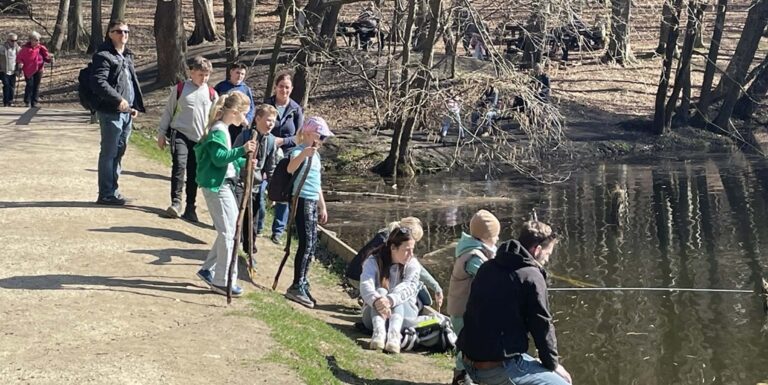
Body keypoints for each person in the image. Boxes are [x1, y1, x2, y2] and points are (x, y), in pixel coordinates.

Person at [457, 220, 573, 385]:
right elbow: (542, 325)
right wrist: (554, 365)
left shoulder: (488, 266)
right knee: (562, 382)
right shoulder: (532, 276)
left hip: (467, 361)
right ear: (538, 249)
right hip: (494, 368)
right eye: (547, 254)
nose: (547, 259)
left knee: (527, 360)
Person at [193, 91, 256, 297]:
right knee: (229, 234)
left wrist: (244, 160)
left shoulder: (224, 130)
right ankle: (223, 280)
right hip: (217, 187)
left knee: (228, 231)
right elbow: (219, 158)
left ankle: (208, 269)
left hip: (224, 185)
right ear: (235, 112)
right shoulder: (219, 130)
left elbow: (227, 161)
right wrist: (242, 150)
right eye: (244, 114)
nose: (245, 119)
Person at [157, 56, 218, 222]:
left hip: (200, 139)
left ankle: (191, 207)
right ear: (192, 72)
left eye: (207, 75)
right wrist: (162, 133)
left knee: (194, 173)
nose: (203, 78)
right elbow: (168, 112)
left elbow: (215, 119)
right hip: (180, 133)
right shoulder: (180, 89)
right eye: (200, 74)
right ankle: (176, 203)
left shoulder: (212, 94)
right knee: (179, 165)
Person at [90, 21, 145, 205]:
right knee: (109, 152)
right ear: (110, 34)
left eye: (126, 31)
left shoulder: (126, 56)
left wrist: (133, 105)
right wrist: (118, 100)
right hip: (110, 112)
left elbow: (131, 82)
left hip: (127, 113)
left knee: (119, 152)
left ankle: (113, 191)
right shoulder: (103, 56)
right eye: (119, 32)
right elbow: (99, 82)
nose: (124, 35)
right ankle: (105, 194)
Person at [447, 209, 500, 385]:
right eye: (495, 235)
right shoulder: (473, 257)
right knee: (465, 344)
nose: (497, 239)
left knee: (468, 343)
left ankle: (465, 375)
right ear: (485, 237)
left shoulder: (478, 251)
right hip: (461, 310)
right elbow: (487, 276)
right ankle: (461, 376)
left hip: (468, 310)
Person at [344, 217, 444, 310]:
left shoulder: (385, 235)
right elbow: (418, 270)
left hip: (353, 273)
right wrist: (435, 287)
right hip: (360, 278)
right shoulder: (390, 243)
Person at [283, 117, 331, 308]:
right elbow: (290, 168)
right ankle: (296, 285)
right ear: (310, 134)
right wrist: (304, 154)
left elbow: (317, 183)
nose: (322, 141)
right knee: (306, 242)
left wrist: (323, 205)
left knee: (312, 243)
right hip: (301, 200)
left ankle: (303, 280)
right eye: (321, 136)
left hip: (312, 200)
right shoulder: (298, 151)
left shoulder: (317, 156)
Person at [360, 227, 421, 354]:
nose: (410, 255)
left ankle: (394, 335)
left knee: (396, 297)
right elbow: (366, 284)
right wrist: (376, 300)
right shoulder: (373, 261)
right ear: (393, 248)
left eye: (412, 250)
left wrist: (390, 300)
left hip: (405, 316)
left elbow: (409, 287)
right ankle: (379, 333)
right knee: (381, 291)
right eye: (406, 250)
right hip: (373, 315)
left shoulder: (413, 264)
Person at [233, 104, 279, 255]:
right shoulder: (245, 136)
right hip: (240, 182)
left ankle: (249, 246)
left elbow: (270, 168)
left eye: (273, 121)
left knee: (253, 216)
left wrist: (272, 191)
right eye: (268, 120)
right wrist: (245, 163)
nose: (271, 124)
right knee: (238, 213)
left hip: (256, 185)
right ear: (258, 119)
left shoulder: (271, 141)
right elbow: (233, 157)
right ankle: (233, 243)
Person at [266, 72, 304, 245]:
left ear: (291, 89)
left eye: (287, 87)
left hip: (287, 154)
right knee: (261, 188)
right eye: (281, 86)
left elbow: (300, 137)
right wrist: (271, 141)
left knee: (283, 193)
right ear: (276, 87)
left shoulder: (296, 109)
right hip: (266, 151)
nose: (284, 90)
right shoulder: (268, 104)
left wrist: (283, 141)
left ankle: (278, 232)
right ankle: (256, 226)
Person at [214, 61, 256, 143]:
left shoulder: (246, 89)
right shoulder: (221, 86)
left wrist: (247, 119)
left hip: (239, 125)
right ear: (231, 72)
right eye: (237, 73)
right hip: (224, 122)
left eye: (242, 74)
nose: (240, 76)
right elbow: (214, 102)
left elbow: (252, 107)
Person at [16, 31, 53, 108]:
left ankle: (34, 102)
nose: (37, 41)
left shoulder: (41, 48)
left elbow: (46, 58)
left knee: (36, 86)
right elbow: (19, 58)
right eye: (36, 40)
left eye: (38, 40)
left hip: (39, 69)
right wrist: (20, 63)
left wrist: (50, 59)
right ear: (31, 40)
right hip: (28, 69)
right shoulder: (25, 49)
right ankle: (27, 101)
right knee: (30, 85)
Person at [0, 33, 20, 107]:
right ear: (8, 40)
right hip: (4, 70)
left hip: (13, 70)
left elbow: (20, 59)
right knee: (6, 85)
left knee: (12, 86)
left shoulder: (18, 48)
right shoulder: (2, 48)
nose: (14, 42)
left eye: (16, 40)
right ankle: (5, 102)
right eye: (12, 40)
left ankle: (10, 101)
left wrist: (18, 69)